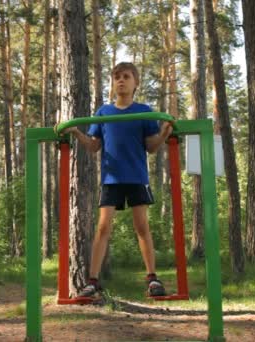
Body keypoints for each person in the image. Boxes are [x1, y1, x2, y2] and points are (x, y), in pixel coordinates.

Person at [64, 62, 173, 298]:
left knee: (142, 226)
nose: (120, 81)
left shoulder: (144, 111)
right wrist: (76, 133)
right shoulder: (104, 112)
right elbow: (94, 146)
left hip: (136, 176)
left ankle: (152, 279)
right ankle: (92, 281)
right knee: (103, 227)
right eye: (116, 77)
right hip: (111, 178)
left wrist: (164, 133)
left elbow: (151, 148)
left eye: (126, 76)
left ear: (136, 82)